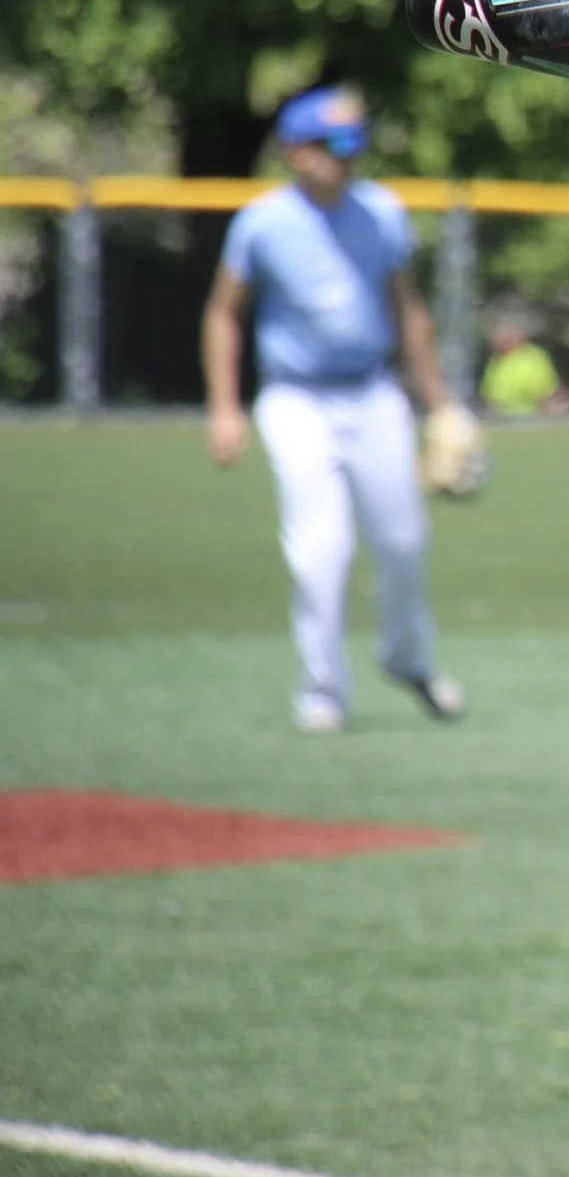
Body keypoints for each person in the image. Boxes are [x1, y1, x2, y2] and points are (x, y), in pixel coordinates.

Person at [201, 85, 467, 733]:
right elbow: (223, 313)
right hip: (296, 399)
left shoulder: (381, 210)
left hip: (373, 393)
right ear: (295, 151)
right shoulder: (263, 221)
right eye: (335, 143)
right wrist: (225, 408)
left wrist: (442, 407)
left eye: (356, 142)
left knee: (402, 540)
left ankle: (407, 659)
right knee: (319, 550)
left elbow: (408, 308)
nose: (349, 154)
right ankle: (322, 689)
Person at [479, 314, 561, 416]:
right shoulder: (497, 359)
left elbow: (546, 393)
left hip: (528, 416)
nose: (496, 339)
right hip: (498, 416)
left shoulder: (532, 358)